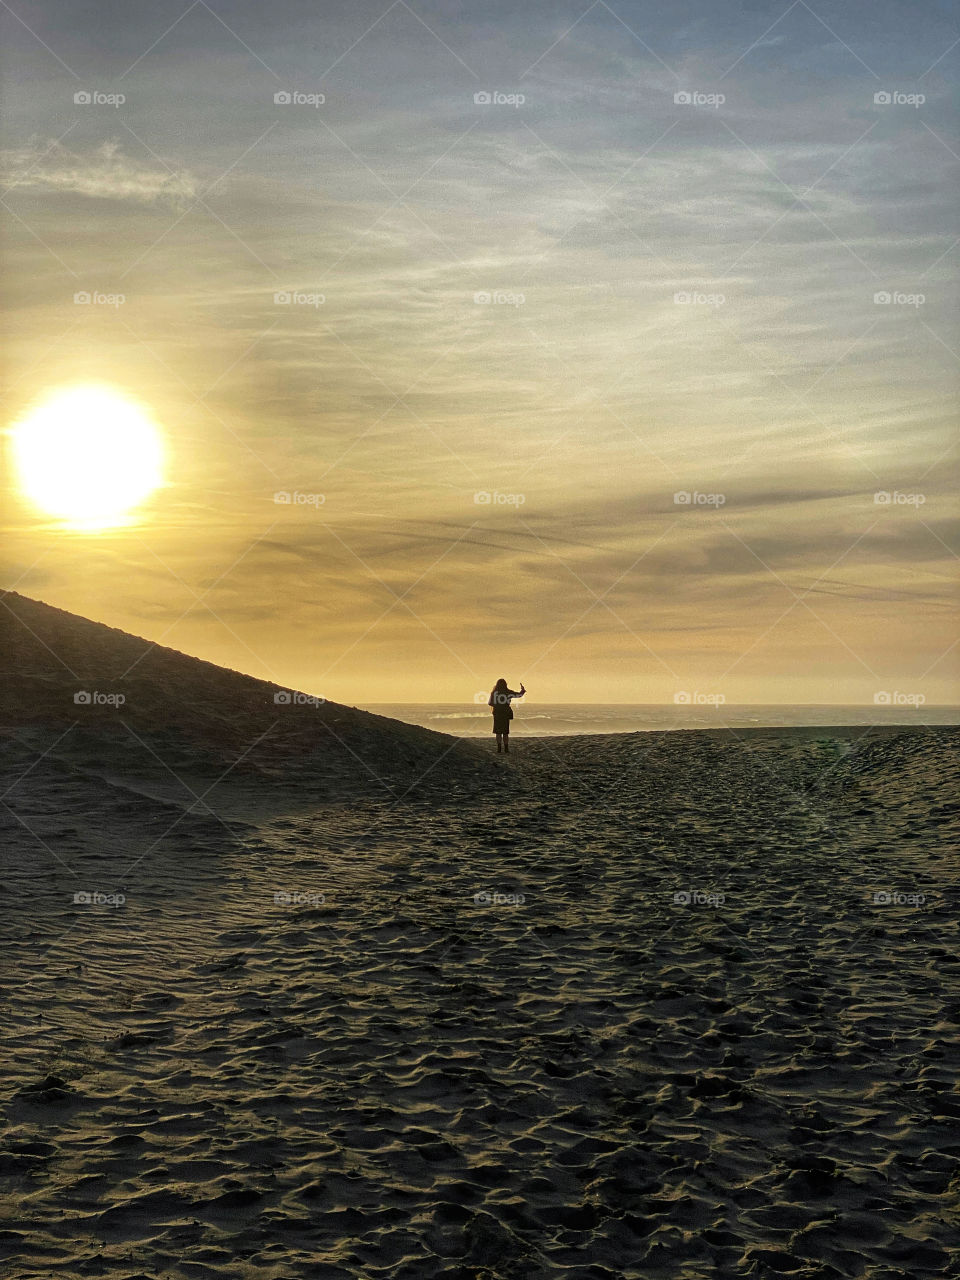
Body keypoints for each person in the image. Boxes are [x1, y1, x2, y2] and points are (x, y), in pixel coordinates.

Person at [488, 677, 525, 753]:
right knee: (505, 732)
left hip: (497, 713)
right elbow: (519, 695)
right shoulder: (508, 692)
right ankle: (506, 748)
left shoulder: (494, 693)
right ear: (505, 684)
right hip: (506, 713)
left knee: (498, 732)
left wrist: (497, 705)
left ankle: (499, 748)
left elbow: (490, 703)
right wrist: (522, 690)